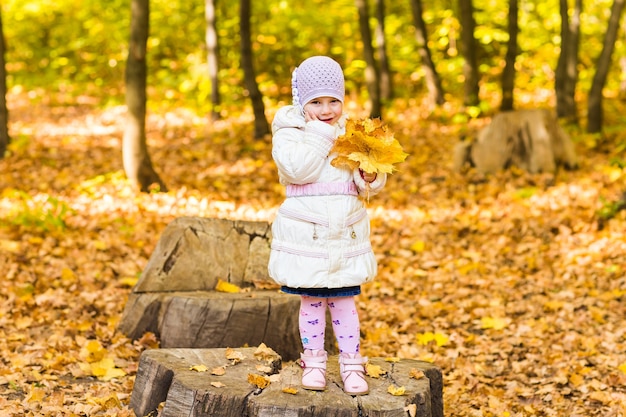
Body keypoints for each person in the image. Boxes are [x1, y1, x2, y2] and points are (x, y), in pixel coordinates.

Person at [268, 56, 387, 395]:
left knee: (345, 302)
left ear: (343, 99)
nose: (326, 109)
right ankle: (314, 361)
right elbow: (298, 170)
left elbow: (365, 187)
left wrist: (369, 176)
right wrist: (321, 132)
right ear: (301, 101)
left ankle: (352, 364)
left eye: (333, 100)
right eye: (316, 102)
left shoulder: (352, 132)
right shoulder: (290, 131)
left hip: (344, 232)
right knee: (312, 301)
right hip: (309, 233)